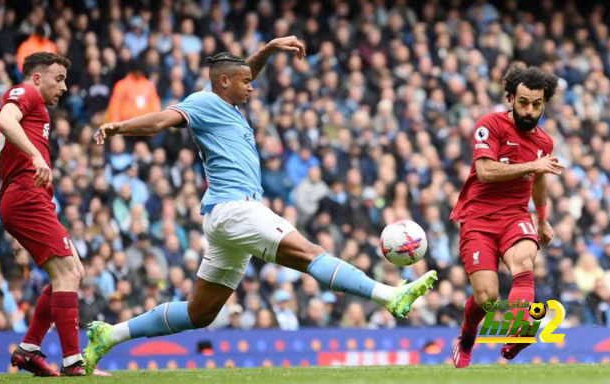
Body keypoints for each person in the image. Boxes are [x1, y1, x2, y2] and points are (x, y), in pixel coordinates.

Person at [84, 36, 438, 374]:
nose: (252, 87)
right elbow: (162, 120)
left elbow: (245, 69)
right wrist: (119, 128)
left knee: (200, 313)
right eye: (245, 83)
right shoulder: (203, 102)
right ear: (223, 81)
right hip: (236, 208)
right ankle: (389, 295)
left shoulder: (227, 103)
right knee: (309, 252)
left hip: (226, 217)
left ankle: (110, 335)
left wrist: (268, 48)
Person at [0, 52, 107, 376]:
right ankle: (73, 362)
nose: (65, 87)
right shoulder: (24, 93)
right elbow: (4, 121)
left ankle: (29, 349)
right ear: (37, 77)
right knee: (67, 276)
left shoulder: (32, 109)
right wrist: (36, 157)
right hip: (28, 197)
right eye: (59, 79)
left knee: (76, 272)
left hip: (29, 199)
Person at [449, 65, 565, 368]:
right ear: (511, 98)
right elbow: (485, 172)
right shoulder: (490, 124)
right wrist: (532, 166)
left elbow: (540, 180)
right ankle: (466, 336)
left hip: (516, 214)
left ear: (544, 103)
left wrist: (541, 218)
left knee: (524, 262)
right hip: (478, 217)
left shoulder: (545, 142)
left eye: (536, 104)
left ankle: (519, 329)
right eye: (523, 102)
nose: (529, 110)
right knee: (487, 297)